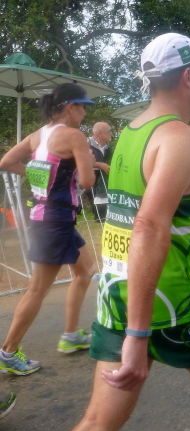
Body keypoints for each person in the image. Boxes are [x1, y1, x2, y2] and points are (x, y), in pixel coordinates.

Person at [60, 33, 190, 431]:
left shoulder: (132, 132)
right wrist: (139, 333)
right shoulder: (182, 137)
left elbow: (139, 217)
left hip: (119, 295)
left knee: (97, 421)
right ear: (189, 76)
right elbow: (149, 225)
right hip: (176, 303)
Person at [0, 84, 96, 375]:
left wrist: (37, 174)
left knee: (85, 269)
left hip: (52, 217)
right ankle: (7, 353)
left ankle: (71, 335)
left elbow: (6, 161)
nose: (84, 112)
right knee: (37, 290)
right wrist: (89, 162)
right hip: (55, 219)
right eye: (83, 106)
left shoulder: (38, 135)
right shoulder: (74, 136)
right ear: (70, 106)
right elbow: (88, 181)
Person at [87, 122, 113, 222]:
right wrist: (99, 165)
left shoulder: (109, 149)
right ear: (100, 133)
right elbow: (77, 162)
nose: (111, 134)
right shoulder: (85, 144)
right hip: (90, 183)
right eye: (109, 131)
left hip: (105, 184)